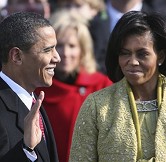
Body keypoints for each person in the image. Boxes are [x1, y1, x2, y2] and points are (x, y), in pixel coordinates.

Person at [69, 11, 166, 161]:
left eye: (142, 54)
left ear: (161, 57)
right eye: (125, 53)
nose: (132, 62)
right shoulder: (97, 105)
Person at [35, 10, 112, 162]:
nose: (65, 53)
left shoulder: (102, 86)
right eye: (58, 46)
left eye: (72, 45)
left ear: (83, 50)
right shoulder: (35, 88)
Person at [0, 12, 60, 162]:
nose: (57, 58)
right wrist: (26, 150)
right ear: (17, 56)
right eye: (47, 50)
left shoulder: (33, 101)